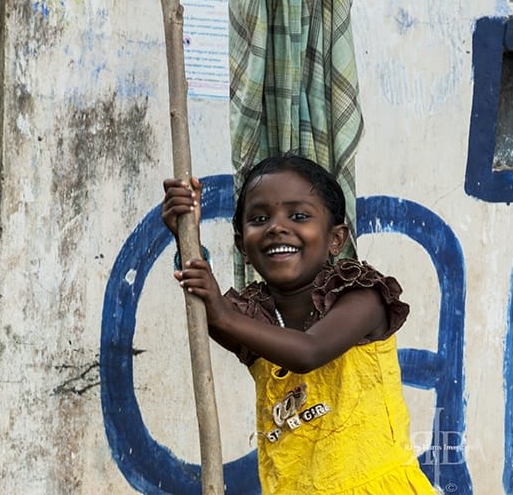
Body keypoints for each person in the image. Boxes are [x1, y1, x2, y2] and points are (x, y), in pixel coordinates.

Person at [161, 155, 435, 494]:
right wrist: (184, 234)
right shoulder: (253, 316)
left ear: (336, 239)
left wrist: (225, 315)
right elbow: (210, 312)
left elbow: (309, 351)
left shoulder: (361, 296)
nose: (277, 226)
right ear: (241, 246)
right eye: (259, 218)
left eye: (299, 216)